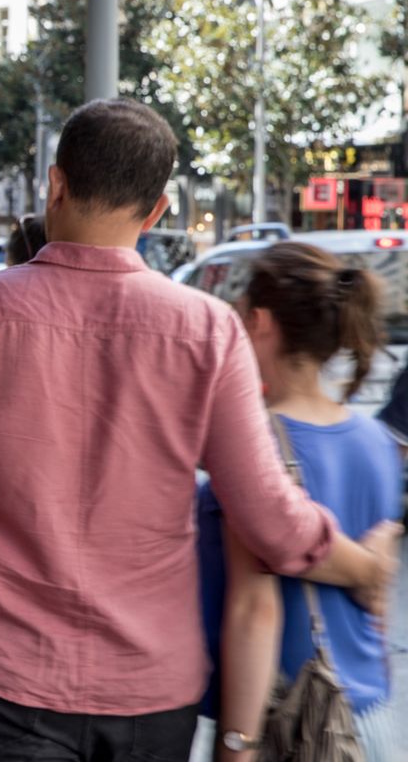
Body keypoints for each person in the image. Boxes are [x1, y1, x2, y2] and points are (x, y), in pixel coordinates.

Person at [0, 100, 401, 762]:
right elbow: (267, 517)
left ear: (55, 186)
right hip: (154, 684)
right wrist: (359, 563)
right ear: (156, 212)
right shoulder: (208, 330)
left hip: (6, 673)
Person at [202, 243, 406, 759]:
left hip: (292, 725)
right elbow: (376, 605)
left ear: (260, 323)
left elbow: (255, 610)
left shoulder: (255, 447)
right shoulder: (377, 441)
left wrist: (236, 746)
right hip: (368, 724)